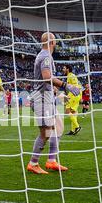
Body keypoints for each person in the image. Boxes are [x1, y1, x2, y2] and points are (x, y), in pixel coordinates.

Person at [26, 32, 80, 174]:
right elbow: (46, 77)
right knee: (46, 132)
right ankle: (33, 163)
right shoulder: (46, 56)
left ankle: (51, 161)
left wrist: (58, 93)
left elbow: (48, 80)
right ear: (52, 42)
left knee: (59, 128)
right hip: (42, 99)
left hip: (48, 97)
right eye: (55, 41)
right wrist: (66, 86)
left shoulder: (44, 56)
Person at [63, 65, 82, 136]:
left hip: (73, 95)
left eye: (64, 68)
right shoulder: (69, 76)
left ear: (67, 69)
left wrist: (68, 96)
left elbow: (75, 86)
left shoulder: (71, 75)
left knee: (67, 111)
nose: (63, 69)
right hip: (75, 95)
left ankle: (77, 126)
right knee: (73, 112)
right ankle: (72, 130)